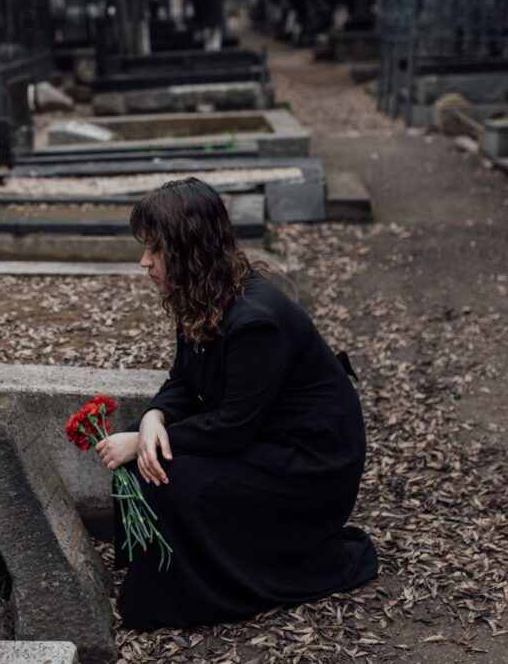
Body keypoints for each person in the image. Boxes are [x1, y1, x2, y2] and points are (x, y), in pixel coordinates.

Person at [94, 177, 378, 632]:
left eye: (155, 250)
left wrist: (142, 442)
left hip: (310, 463)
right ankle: (165, 577)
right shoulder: (205, 295)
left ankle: (194, 591)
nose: (144, 261)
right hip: (266, 435)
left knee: (165, 473)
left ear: (188, 251)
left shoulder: (254, 322)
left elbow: (232, 428)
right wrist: (152, 418)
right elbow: (182, 379)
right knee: (148, 451)